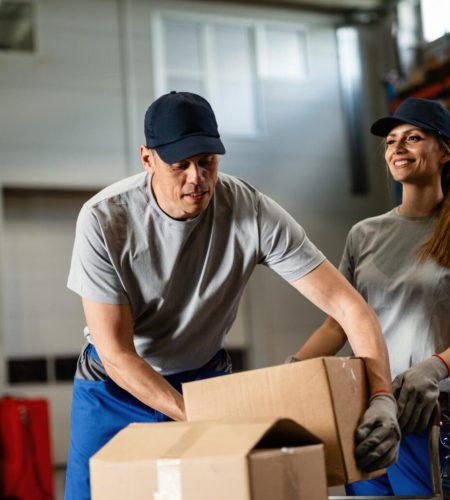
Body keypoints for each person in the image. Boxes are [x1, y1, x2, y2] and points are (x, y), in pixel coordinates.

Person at [64, 90, 400, 500]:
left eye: (207, 162)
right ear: (147, 158)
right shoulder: (104, 219)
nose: (197, 179)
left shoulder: (251, 211)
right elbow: (117, 353)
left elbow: (350, 308)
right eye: (180, 165)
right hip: (113, 388)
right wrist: (198, 419)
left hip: (203, 379)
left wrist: (382, 395)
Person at [291, 97, 450, 496]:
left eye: (413, 138)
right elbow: (337, 323)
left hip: (430, 416)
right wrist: (290, 373)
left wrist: (435, 367)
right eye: (390, 141)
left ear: (444, 151)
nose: (397, 147)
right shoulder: (365, 234)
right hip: (368, 414)